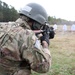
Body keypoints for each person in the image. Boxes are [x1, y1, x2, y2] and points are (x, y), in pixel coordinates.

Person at [0, 3, 54, 75]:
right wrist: (45, 44)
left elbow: (16, 39)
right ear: (36, 23)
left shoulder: (3, 26)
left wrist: (37, 38)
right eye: (40, 25)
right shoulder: (27, 36)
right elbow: (43, 67)